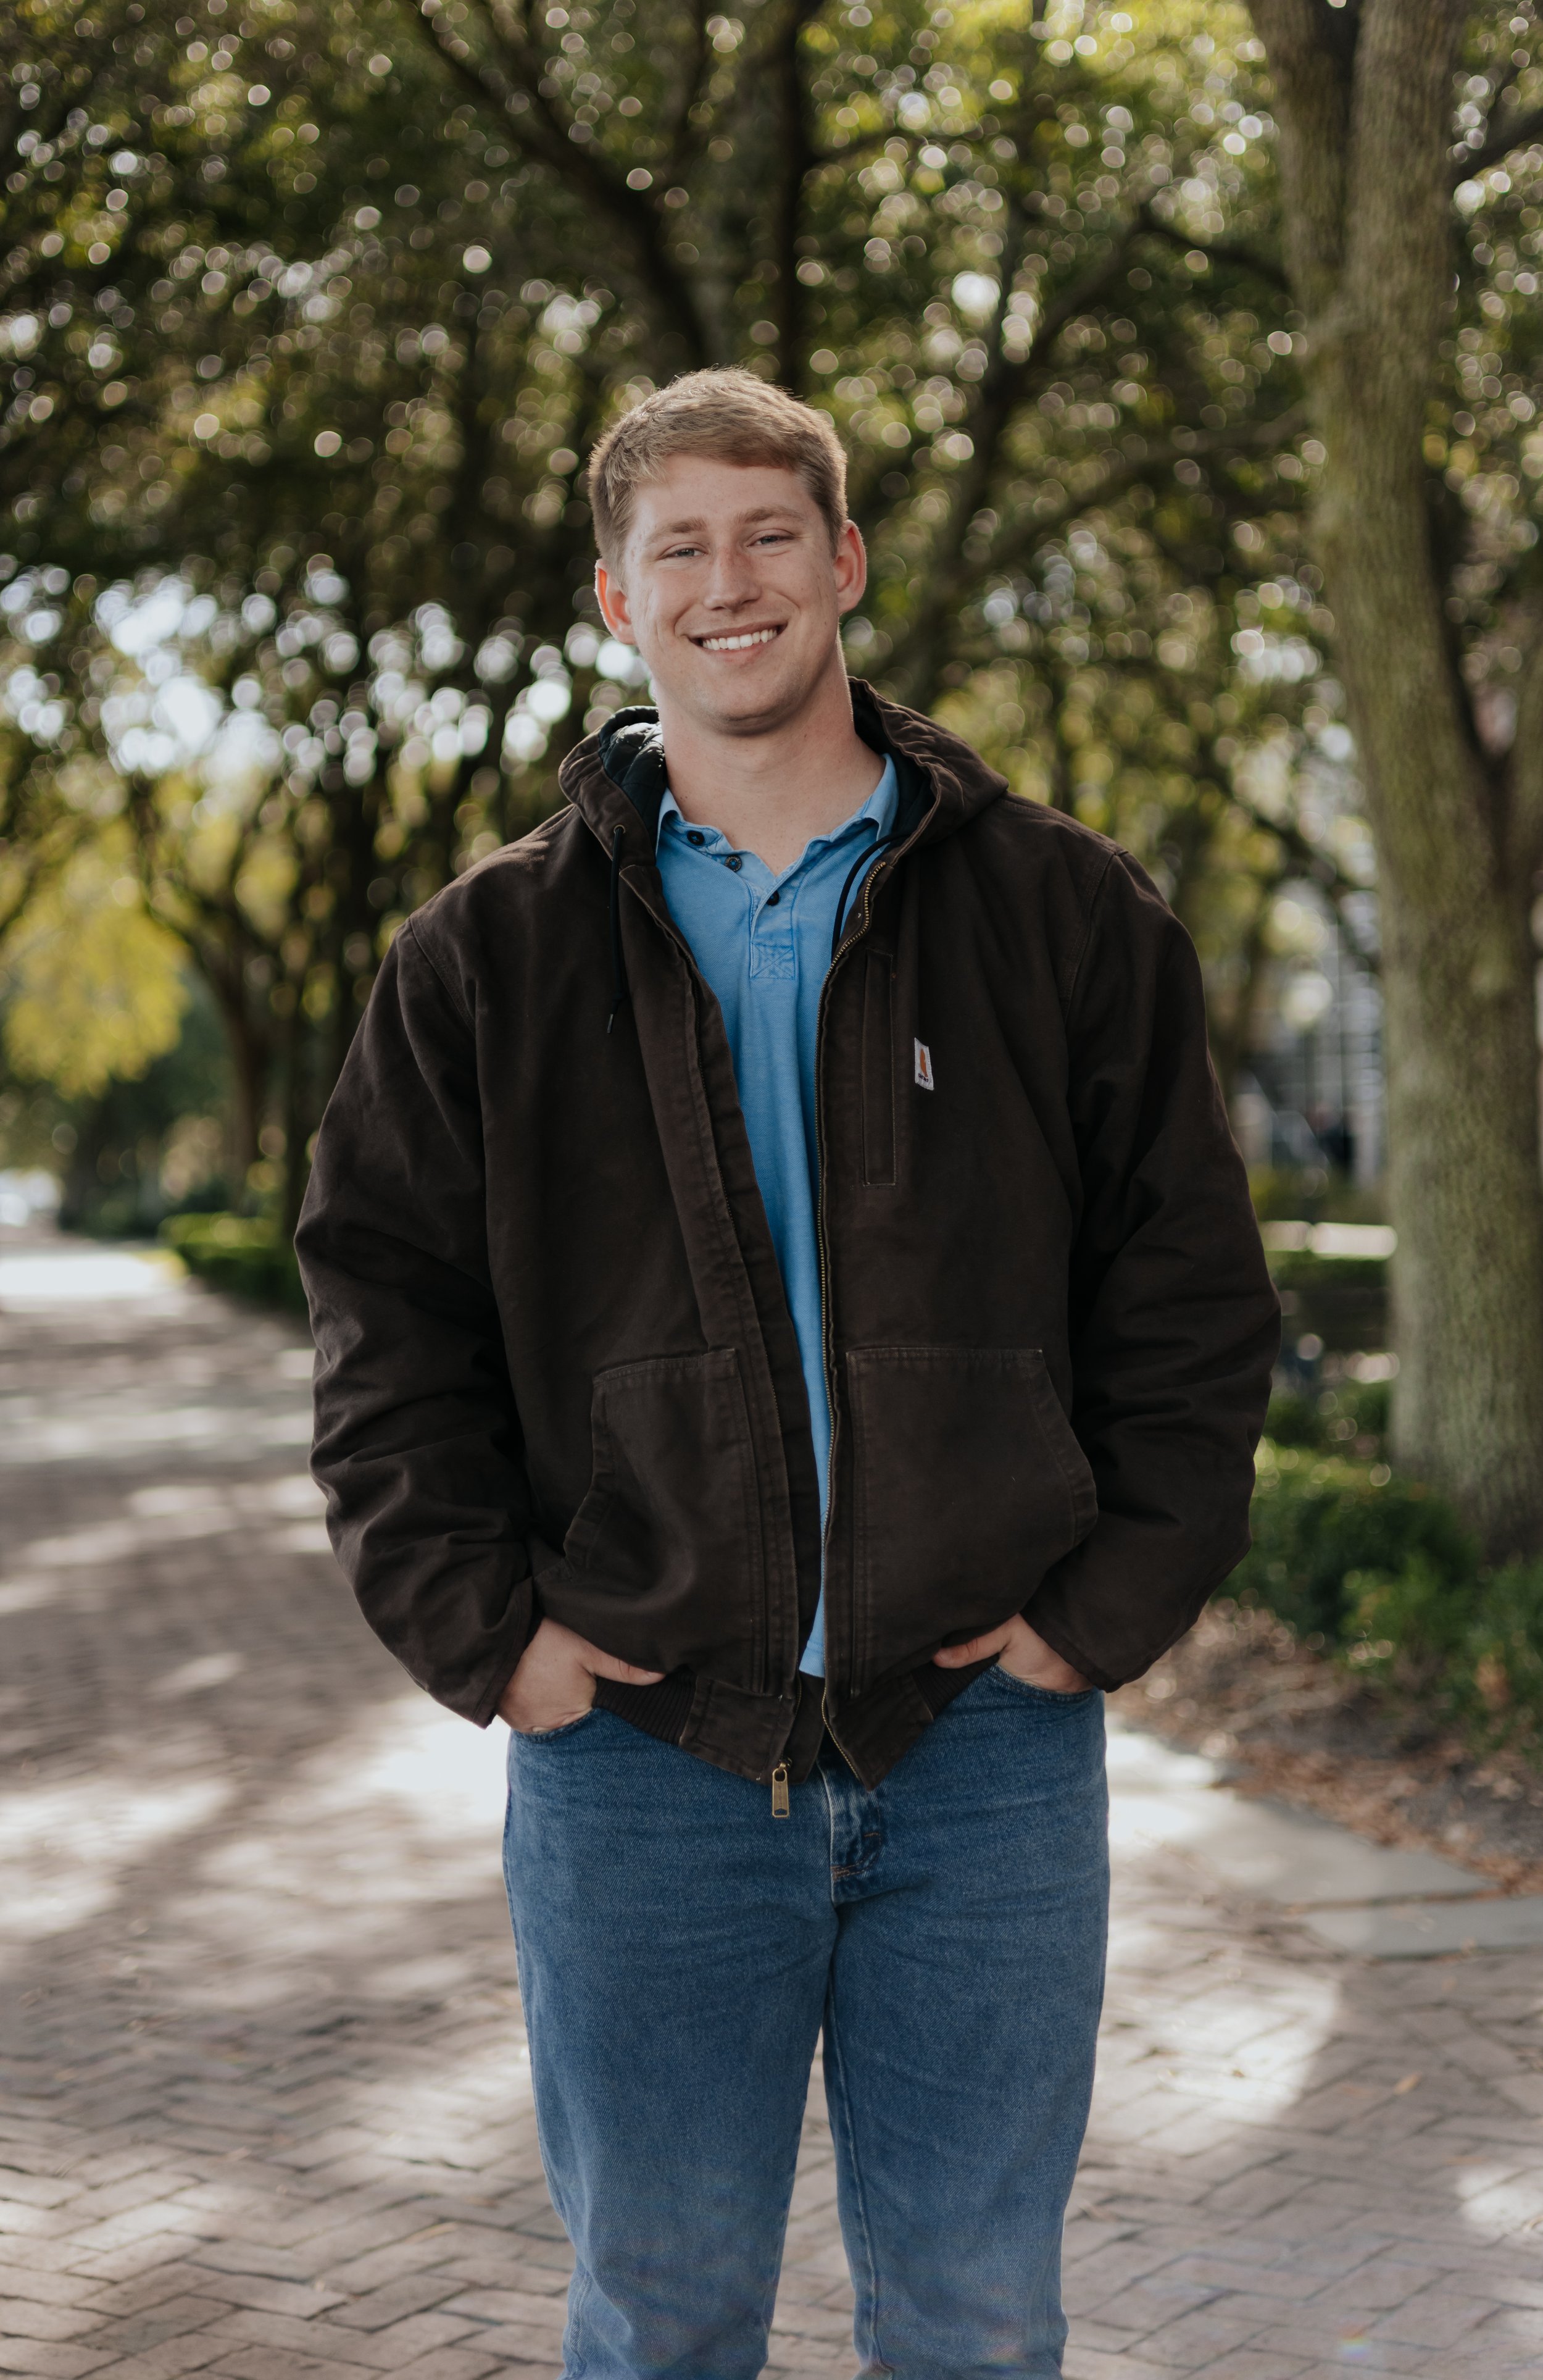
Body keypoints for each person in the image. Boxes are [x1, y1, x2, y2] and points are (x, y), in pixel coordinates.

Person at [296, 367, 1279, 2379]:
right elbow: (381, 1319)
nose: (727, 585)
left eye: (768, 536)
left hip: (982, 1752)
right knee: (661, 2322)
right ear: (613, 598)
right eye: (681, 550)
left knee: (981, 2319)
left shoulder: (1058, 913)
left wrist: (1101, 1616)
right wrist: (495, 1638)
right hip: (639, 1755)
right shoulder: (482, 954)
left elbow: (1186, 1291)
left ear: (842, 563)